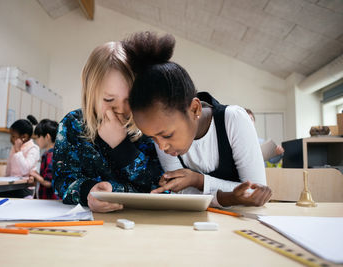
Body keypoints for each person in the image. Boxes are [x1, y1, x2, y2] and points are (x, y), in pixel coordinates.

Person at [122, 31, 272, 207]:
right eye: (153, 137)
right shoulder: (161, 135)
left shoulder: (234, 119)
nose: (161, 146)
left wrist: (199, 181)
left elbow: (256, 192)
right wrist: (227, 197)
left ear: (194, 109)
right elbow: (183, 193)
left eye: (167, 135)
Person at [53, 41, 163, 212]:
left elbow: (158, 184)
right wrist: (89, 192)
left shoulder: (147, 126)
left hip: (140, 222)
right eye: (109, 100)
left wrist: (122, 148)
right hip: (88, 222)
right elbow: (61, 182)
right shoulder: (72, 124)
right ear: (90, 92)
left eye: (129, 100)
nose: (120, 109)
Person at [5, 115, 40, 198]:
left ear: (24, 137)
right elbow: (9, 168)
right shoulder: (14, 147)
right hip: (12, 185)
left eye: (13, 136)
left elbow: (25, 169)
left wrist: (18, 151)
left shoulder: (33, 148)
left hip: (25, 188)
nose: (11, 139)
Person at [28, 119, 59, 199]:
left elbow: (48, 182)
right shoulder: (53, 153)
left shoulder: (50, 155)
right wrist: (36, 177)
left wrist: (35, 175)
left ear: (47, 137)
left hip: (49, 200)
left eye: (38, 137)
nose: (36, 140)